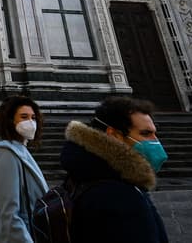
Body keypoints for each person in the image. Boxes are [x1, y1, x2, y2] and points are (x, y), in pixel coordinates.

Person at [60, 96, 169, 243]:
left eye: (154, 133)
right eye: (145, 133)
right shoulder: (119, 195)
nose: (155, 141)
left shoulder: (86, 172)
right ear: (114, 135)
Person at [0, 96, 49, 243]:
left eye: (33, 117)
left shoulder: (21, 149)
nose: (30, 122)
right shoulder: (6, 153)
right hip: (22, 234)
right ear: (10, 120)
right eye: (24, 117)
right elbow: (9, 213)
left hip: (34, 230)